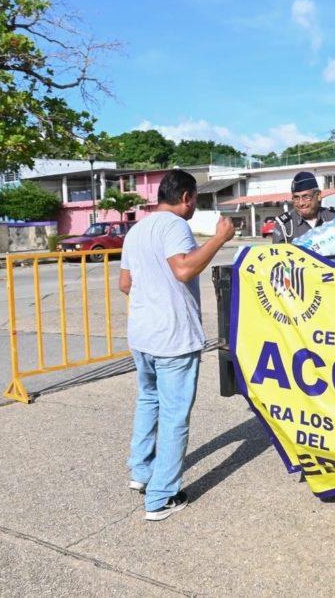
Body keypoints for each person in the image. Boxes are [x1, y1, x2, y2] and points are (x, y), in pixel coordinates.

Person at [118, 169, 235, 521]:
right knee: (174, 415)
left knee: (149, 401)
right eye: (195, 199)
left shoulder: (137, 230)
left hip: (143, 335)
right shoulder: (175, 226)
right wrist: (219, 239)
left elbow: (125, 284)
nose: (194, 206)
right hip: (172, 338)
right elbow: (183, 270)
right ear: (186, 197)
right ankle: (162, 496)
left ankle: (141, 471)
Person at [272, 171, 335, 244]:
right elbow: (278, 251)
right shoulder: (284, 225)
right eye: (296, 198)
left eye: (306, 197)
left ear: (318, 196)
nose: (301, 203)